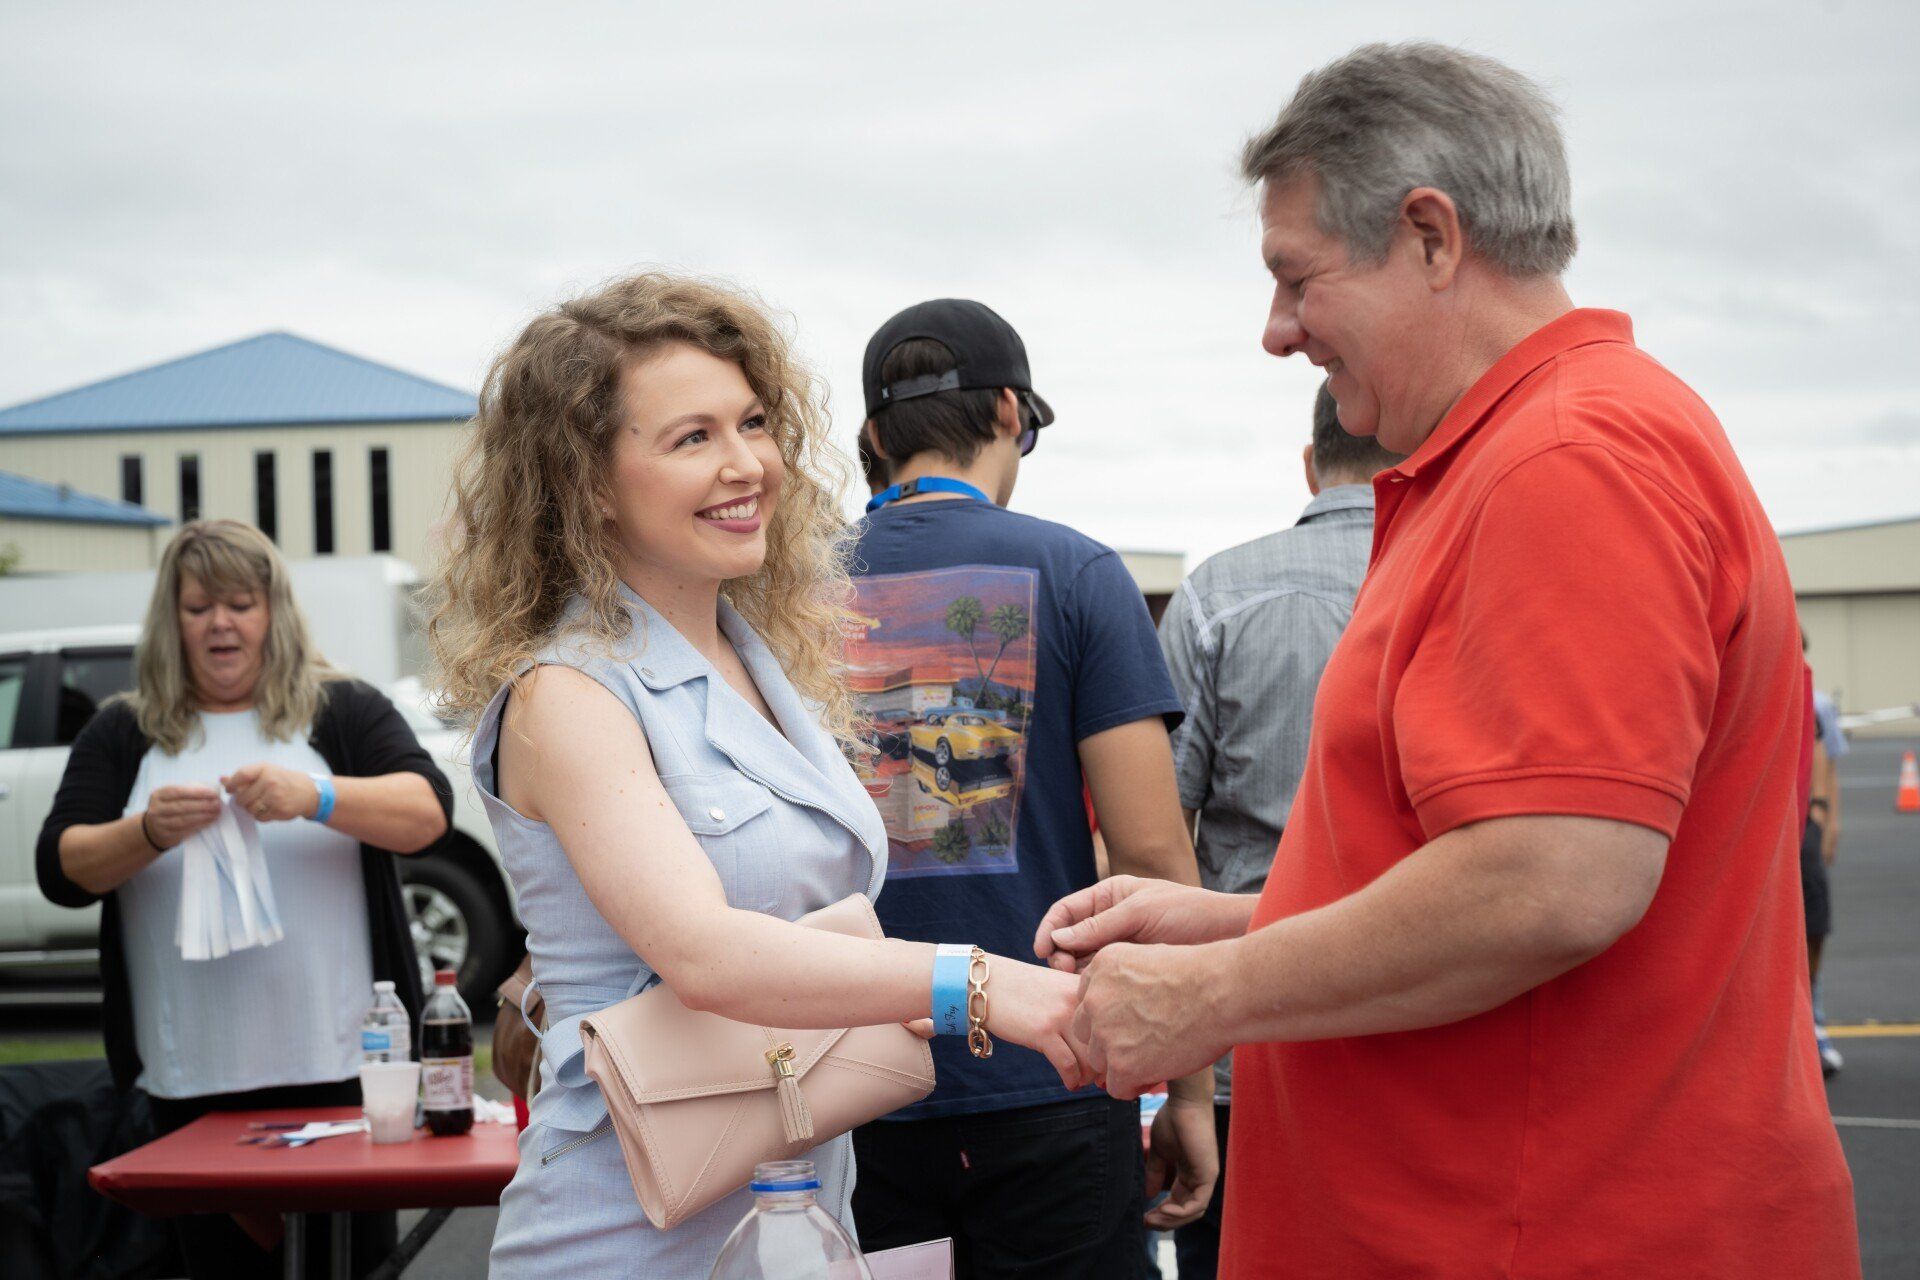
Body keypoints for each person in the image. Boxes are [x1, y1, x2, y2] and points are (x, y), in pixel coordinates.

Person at [1036, 43, 1859, 1277]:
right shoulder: (1541, 448)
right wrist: (1229, 923)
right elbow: (1514, 877)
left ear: (1431, 235)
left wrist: (1211, 995)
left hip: (1541, 1228)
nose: (1277, 332)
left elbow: (1550, 882)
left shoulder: (1564, 462)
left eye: (1297, 277)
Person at [426, 274, 1091, 1279]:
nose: (748, 465)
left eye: (752, 422)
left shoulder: (765, 663)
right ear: (589, 481)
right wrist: (981, 984)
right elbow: (704, 952)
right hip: (624, 1236)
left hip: (794, 1212)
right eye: (692, 437)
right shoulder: (568, 693)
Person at [844, 299, 1216, 1279]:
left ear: (877, 437)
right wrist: (1188, 1086)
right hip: (1053, 1071)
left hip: (844, 1091)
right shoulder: (1082, 572)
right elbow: (1151, 857)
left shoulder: (781, 589)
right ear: (1012, 411)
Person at [36, 519, 452, 1280]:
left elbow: (427, 812)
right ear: (172, 621)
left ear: (274, 612)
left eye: (239, 603)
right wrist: (147, 832)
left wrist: (315, 796)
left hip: (343, 1073)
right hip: (185, 1078)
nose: (220, 623)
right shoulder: (124, 730)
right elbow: (62, 869)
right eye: (198, 608)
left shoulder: (341, 710)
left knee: (348, 1266)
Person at [1154, 379, 1399, 1280]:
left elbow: (1159, 840)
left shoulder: (1217, 592)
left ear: (1311, 465)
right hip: (1421, 1014)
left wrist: (1180, 1072)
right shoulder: (1470, 574)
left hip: (1247, 1030)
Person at [1803, 634, 1848, 1076]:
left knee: (1814, 927)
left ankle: (1815, 1025)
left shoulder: (1816, 704)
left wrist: (1826, 820)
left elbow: (1829, 763)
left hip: (1804, 829)